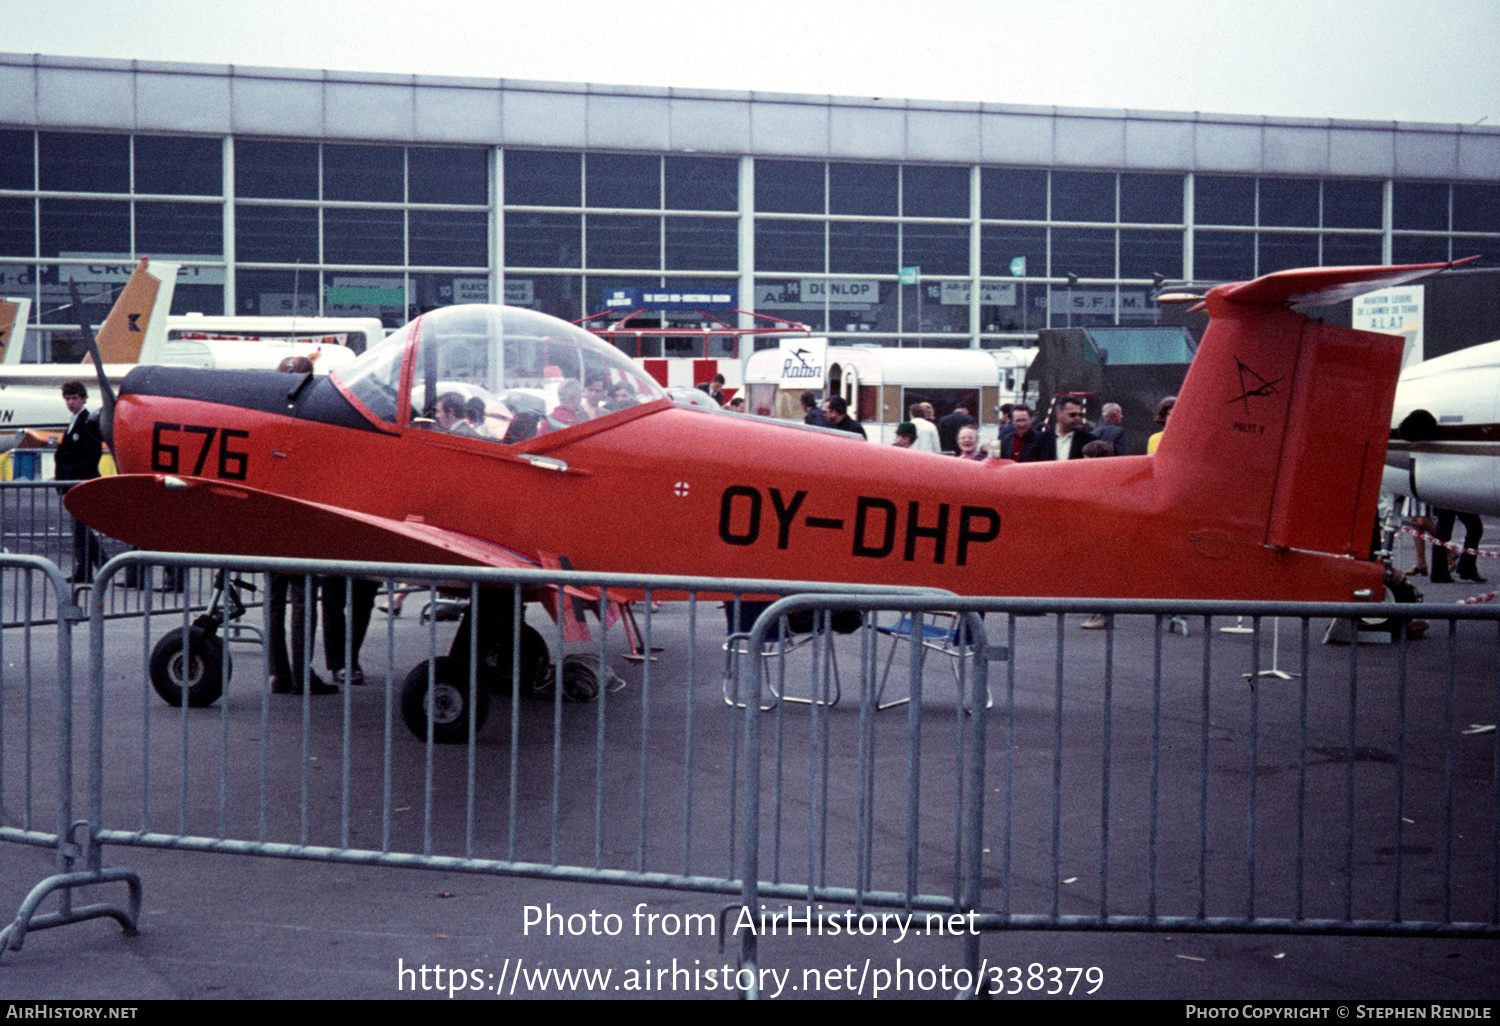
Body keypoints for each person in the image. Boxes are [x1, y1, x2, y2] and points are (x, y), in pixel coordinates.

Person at [55, 380, 103, 582]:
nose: (71, 402)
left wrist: (77, 474)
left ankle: (101, 564)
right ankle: (89, 568)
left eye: (75, 398)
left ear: (83, 398)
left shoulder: (87, 421)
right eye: (67, 398)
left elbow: (93, 452)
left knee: (81, 527)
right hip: (71, 481)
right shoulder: (74, 420)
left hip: (82, 481)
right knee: (79, 528)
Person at [1026, 396, 1095, 462]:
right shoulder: (1040, 440)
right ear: (1059, 413)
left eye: (1079, 415)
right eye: (1072, 415)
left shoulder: (1088, 440)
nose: (1077, 418)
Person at [1430, 507, 1487, 584]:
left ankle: (1438, 572)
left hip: (1444, 498)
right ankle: (1467, 567)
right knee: (1475, 528)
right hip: (1461, 500)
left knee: (1442, 533)